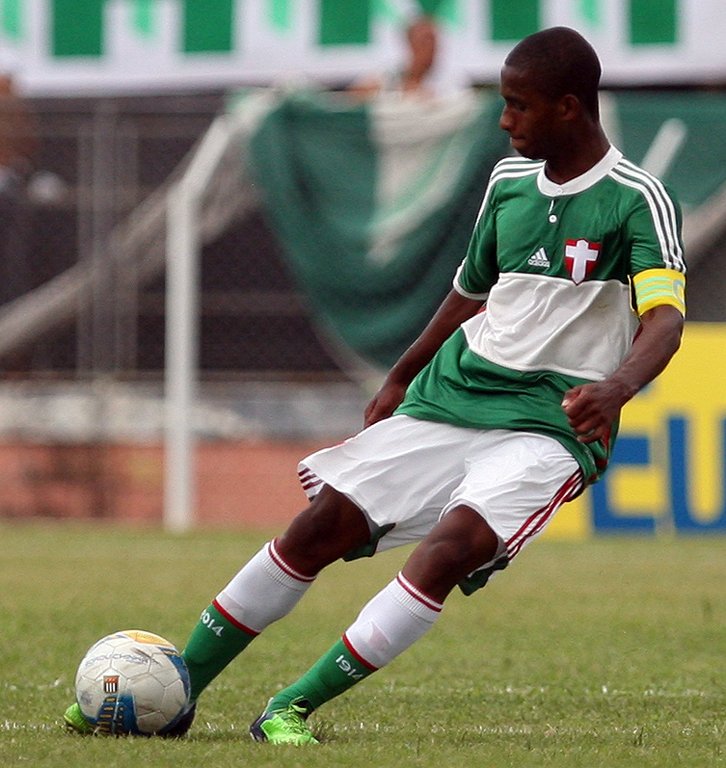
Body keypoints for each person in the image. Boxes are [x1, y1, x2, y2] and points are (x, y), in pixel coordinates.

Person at [64, 26, 686, 743]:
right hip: (454, 396)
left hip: (550, 424)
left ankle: (291, 707)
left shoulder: (637, 198)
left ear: (570, 108)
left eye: (518, 106)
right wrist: (399, 376)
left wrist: (616, 389)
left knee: (452, 548)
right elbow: (468, 291)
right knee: (319, 526)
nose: (505, 120)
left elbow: (665, 319)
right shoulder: (507, 183)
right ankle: (173, 693)